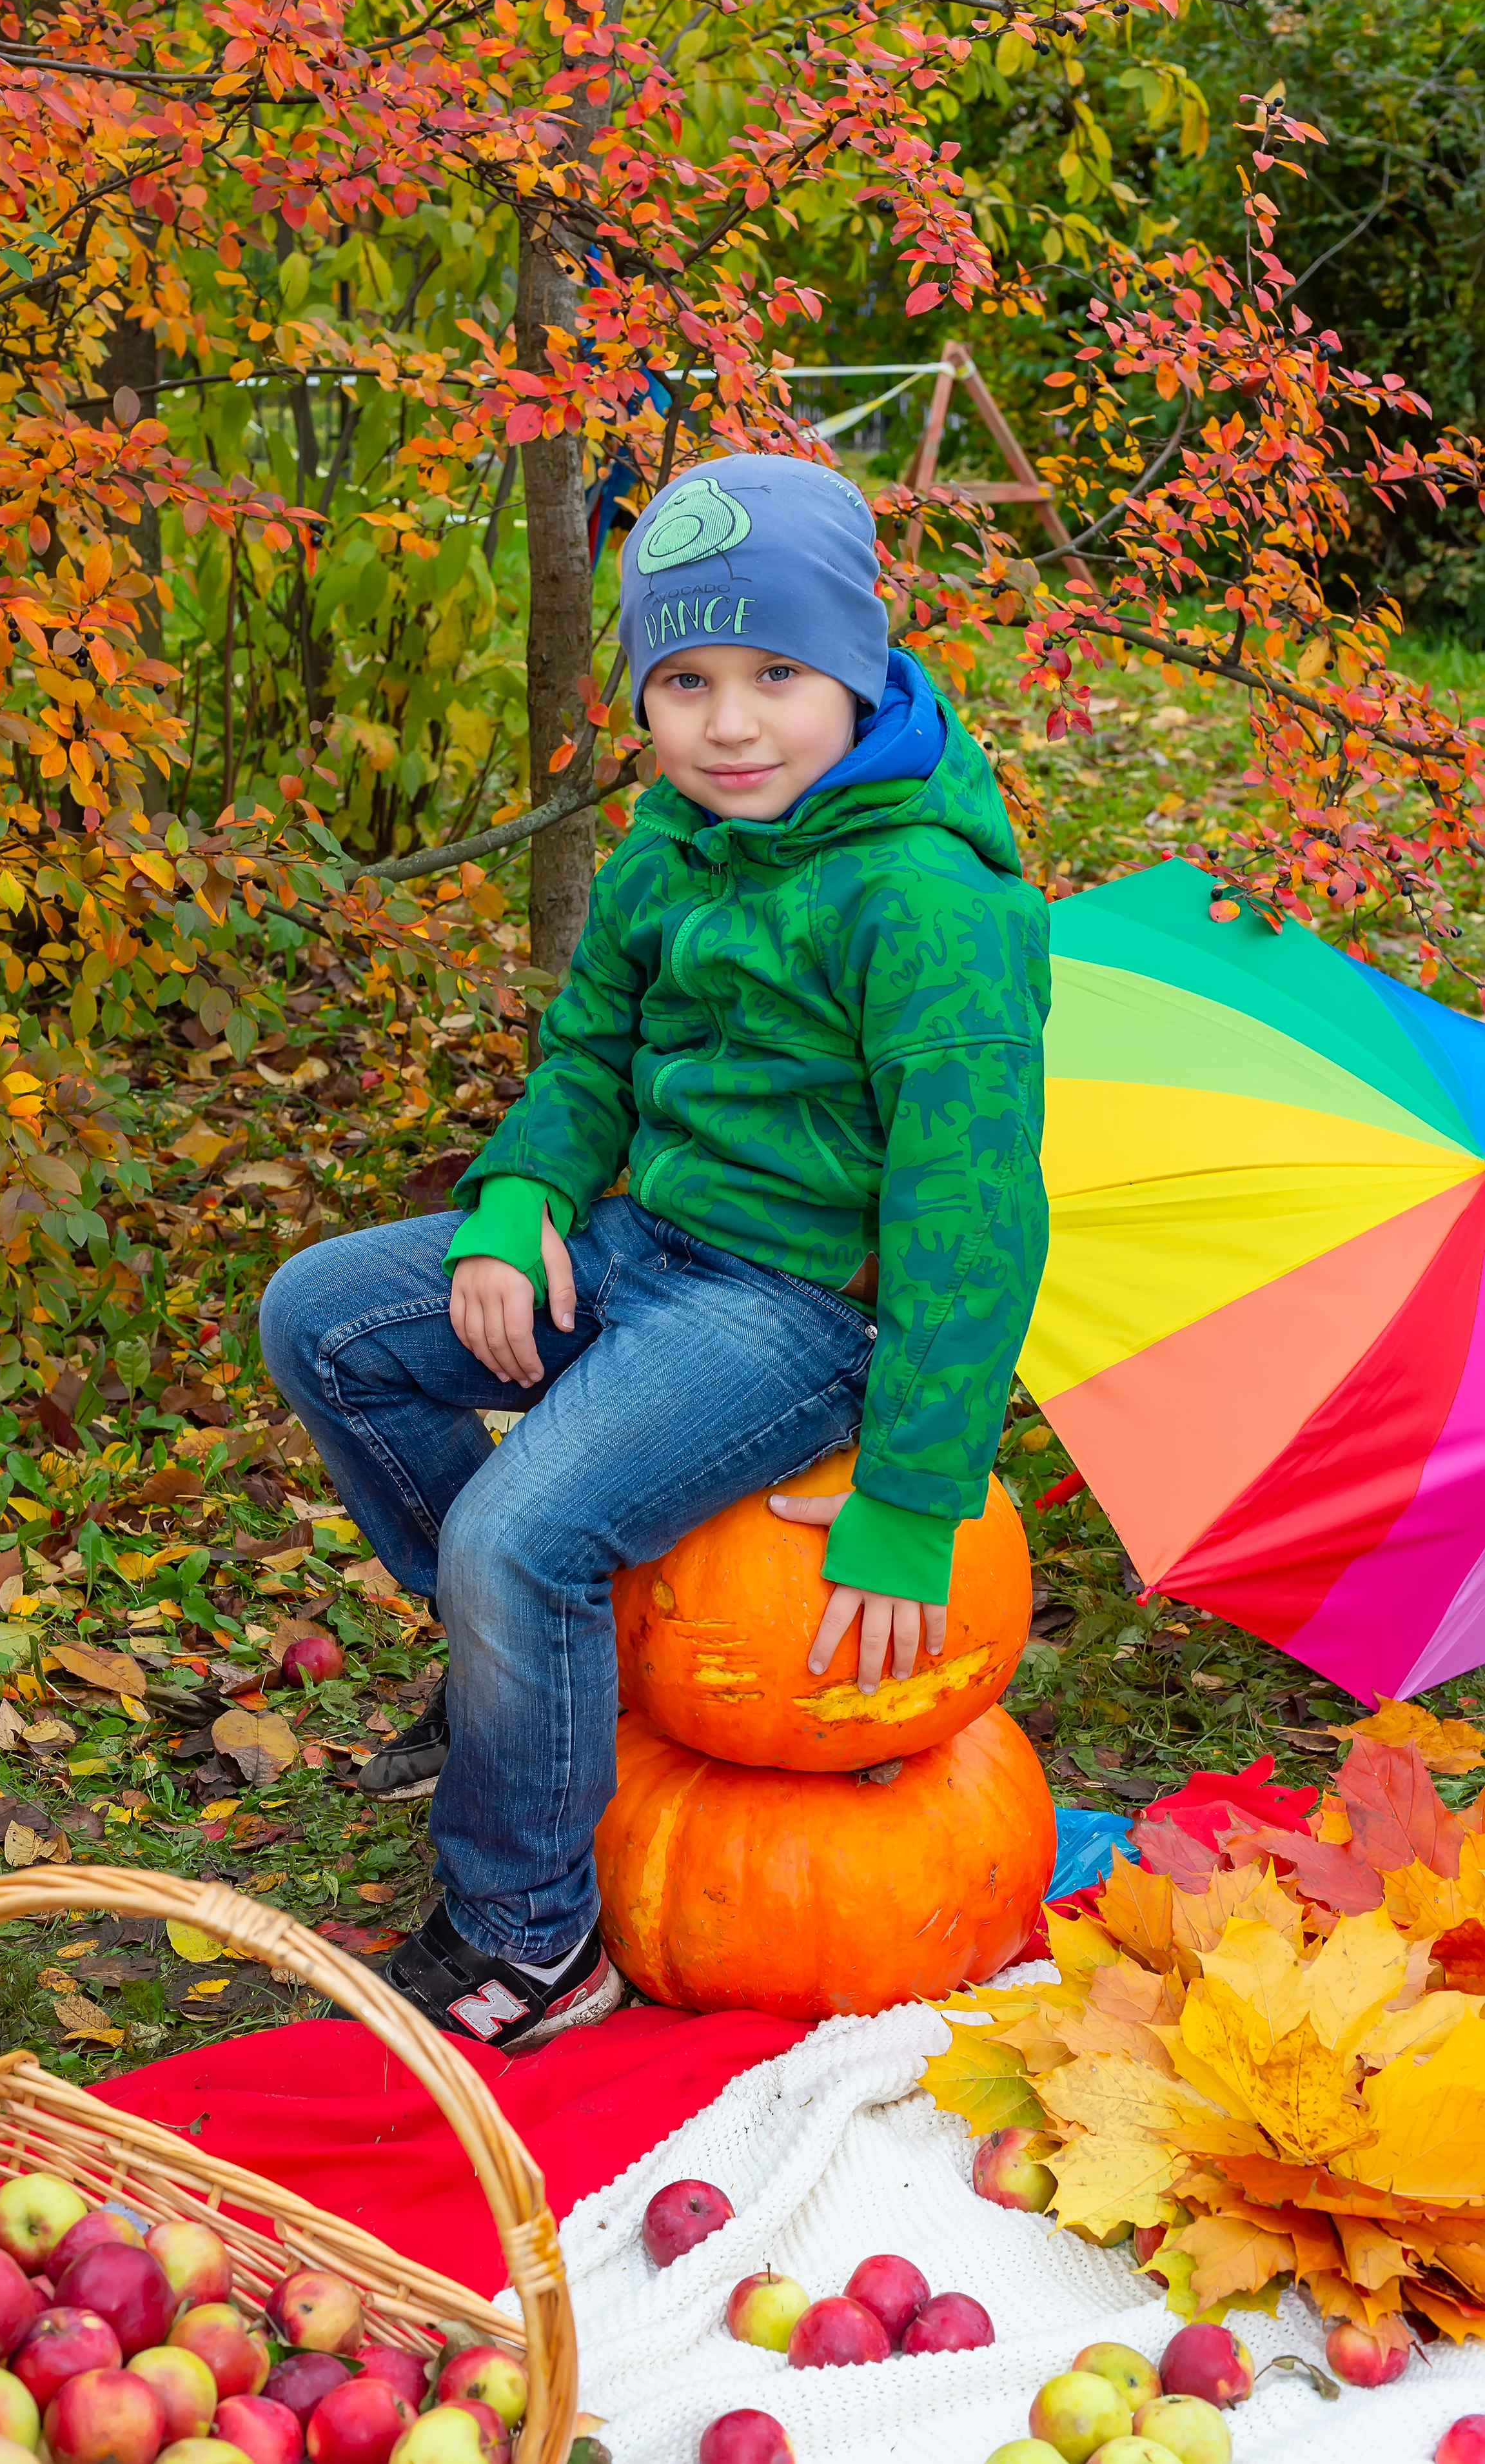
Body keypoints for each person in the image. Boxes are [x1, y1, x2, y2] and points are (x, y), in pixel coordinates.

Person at [258, 453, 1050, 2051]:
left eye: (777, 674)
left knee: (517, 1537)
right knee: (324, 1319)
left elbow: (974, 1215)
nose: (731, 724)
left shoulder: (922, 904)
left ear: (864, 659)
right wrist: (517, 1202)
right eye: (684, 682)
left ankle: (530, 1944)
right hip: (641, 1244)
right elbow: (587, 1058)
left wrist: (914, 1495)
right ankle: (529, 1694)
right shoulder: (668, 847)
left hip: (791, 1318)